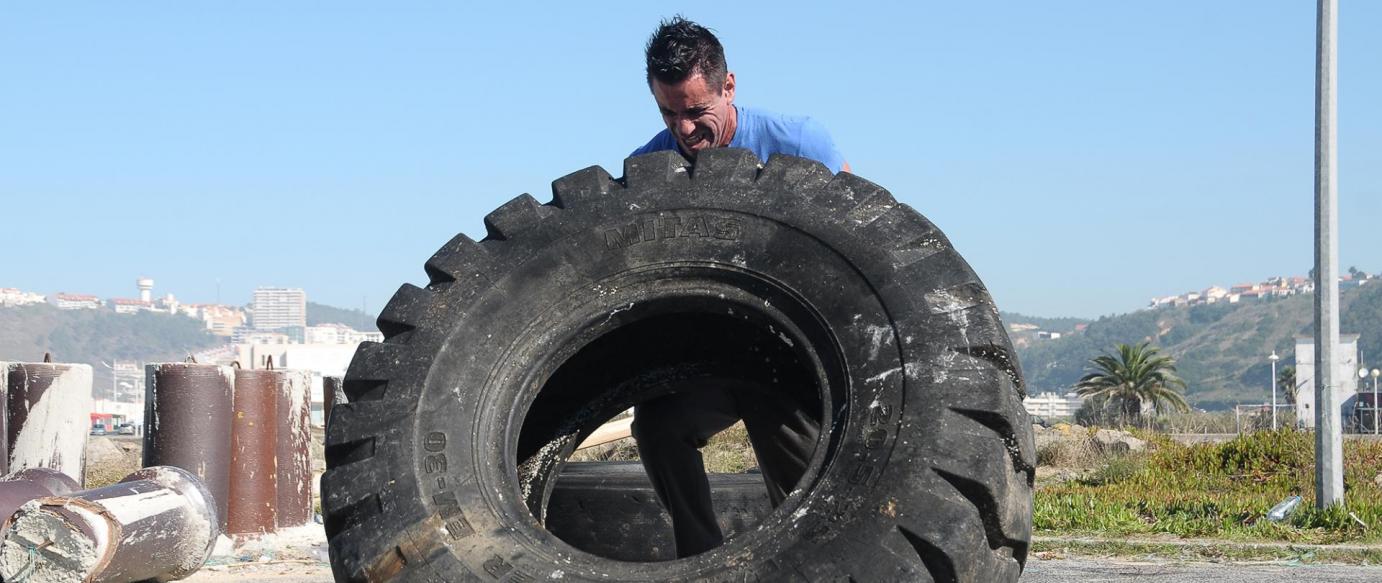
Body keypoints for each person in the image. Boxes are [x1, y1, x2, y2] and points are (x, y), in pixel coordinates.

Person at [628, 16, 848, 558]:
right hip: (713, 357)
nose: (683, 129)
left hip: (792, 358)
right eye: (668, 112)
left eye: (696, 111)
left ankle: (813, 565)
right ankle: (701, 561)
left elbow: (857, 247)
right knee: (657, 424)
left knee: (802, 497)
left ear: (729, 87)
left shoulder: (798, 142)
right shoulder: (649, 168)